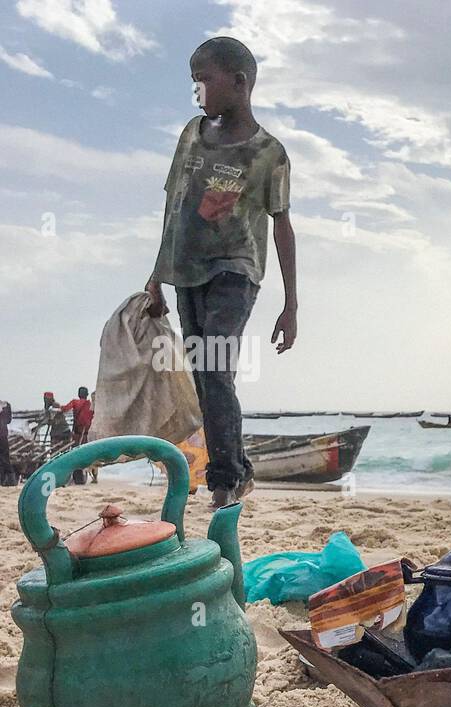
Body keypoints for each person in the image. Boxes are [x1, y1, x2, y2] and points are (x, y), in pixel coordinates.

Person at [144, 36, 298, 508]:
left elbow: (282, 226)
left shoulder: (269, 153)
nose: (197, 90)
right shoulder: (192, 135)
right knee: (204, 371)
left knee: (215, 364)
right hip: (187, 269)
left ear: (239, 82)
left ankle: (226, 479)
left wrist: (291, 306)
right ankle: (237, 470)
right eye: (193, 82)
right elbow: (173, 206)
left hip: (237, 270)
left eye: (204, 80)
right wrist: (155, 276)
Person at [0, 399, 15, 486]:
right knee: (5, 457)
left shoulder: (6, 405)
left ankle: (7, 480)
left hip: (2, 434)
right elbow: (9, 420)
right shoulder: (6, 405)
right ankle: (10, 480)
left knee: (3, 458)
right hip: (3, 434)